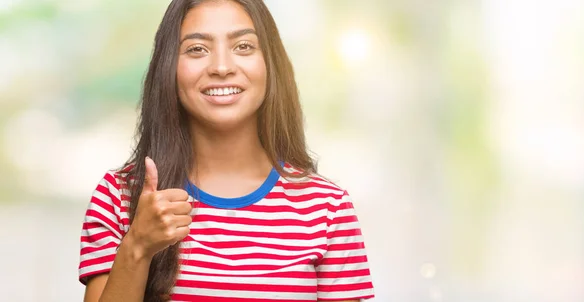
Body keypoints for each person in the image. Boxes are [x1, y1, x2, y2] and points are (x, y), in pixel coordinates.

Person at [78, 0, 375, 301]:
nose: (221, 67)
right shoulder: (120, 196)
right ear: (169, 67)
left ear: (270, 63)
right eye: (197, 49)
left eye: (244, 46)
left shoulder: (327, 208)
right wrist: (138, 247)